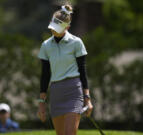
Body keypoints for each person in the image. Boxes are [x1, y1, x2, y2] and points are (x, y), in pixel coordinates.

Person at [37, 4, 93, 135]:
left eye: (57, 28)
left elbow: (83, 71)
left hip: (73, 90)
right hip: (56, 91)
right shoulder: (45, 46)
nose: (54, 31)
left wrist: (87, 98)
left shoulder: (76, 42)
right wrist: (41, 103)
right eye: (53, 27)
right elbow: (45, 75)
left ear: (67, 27)